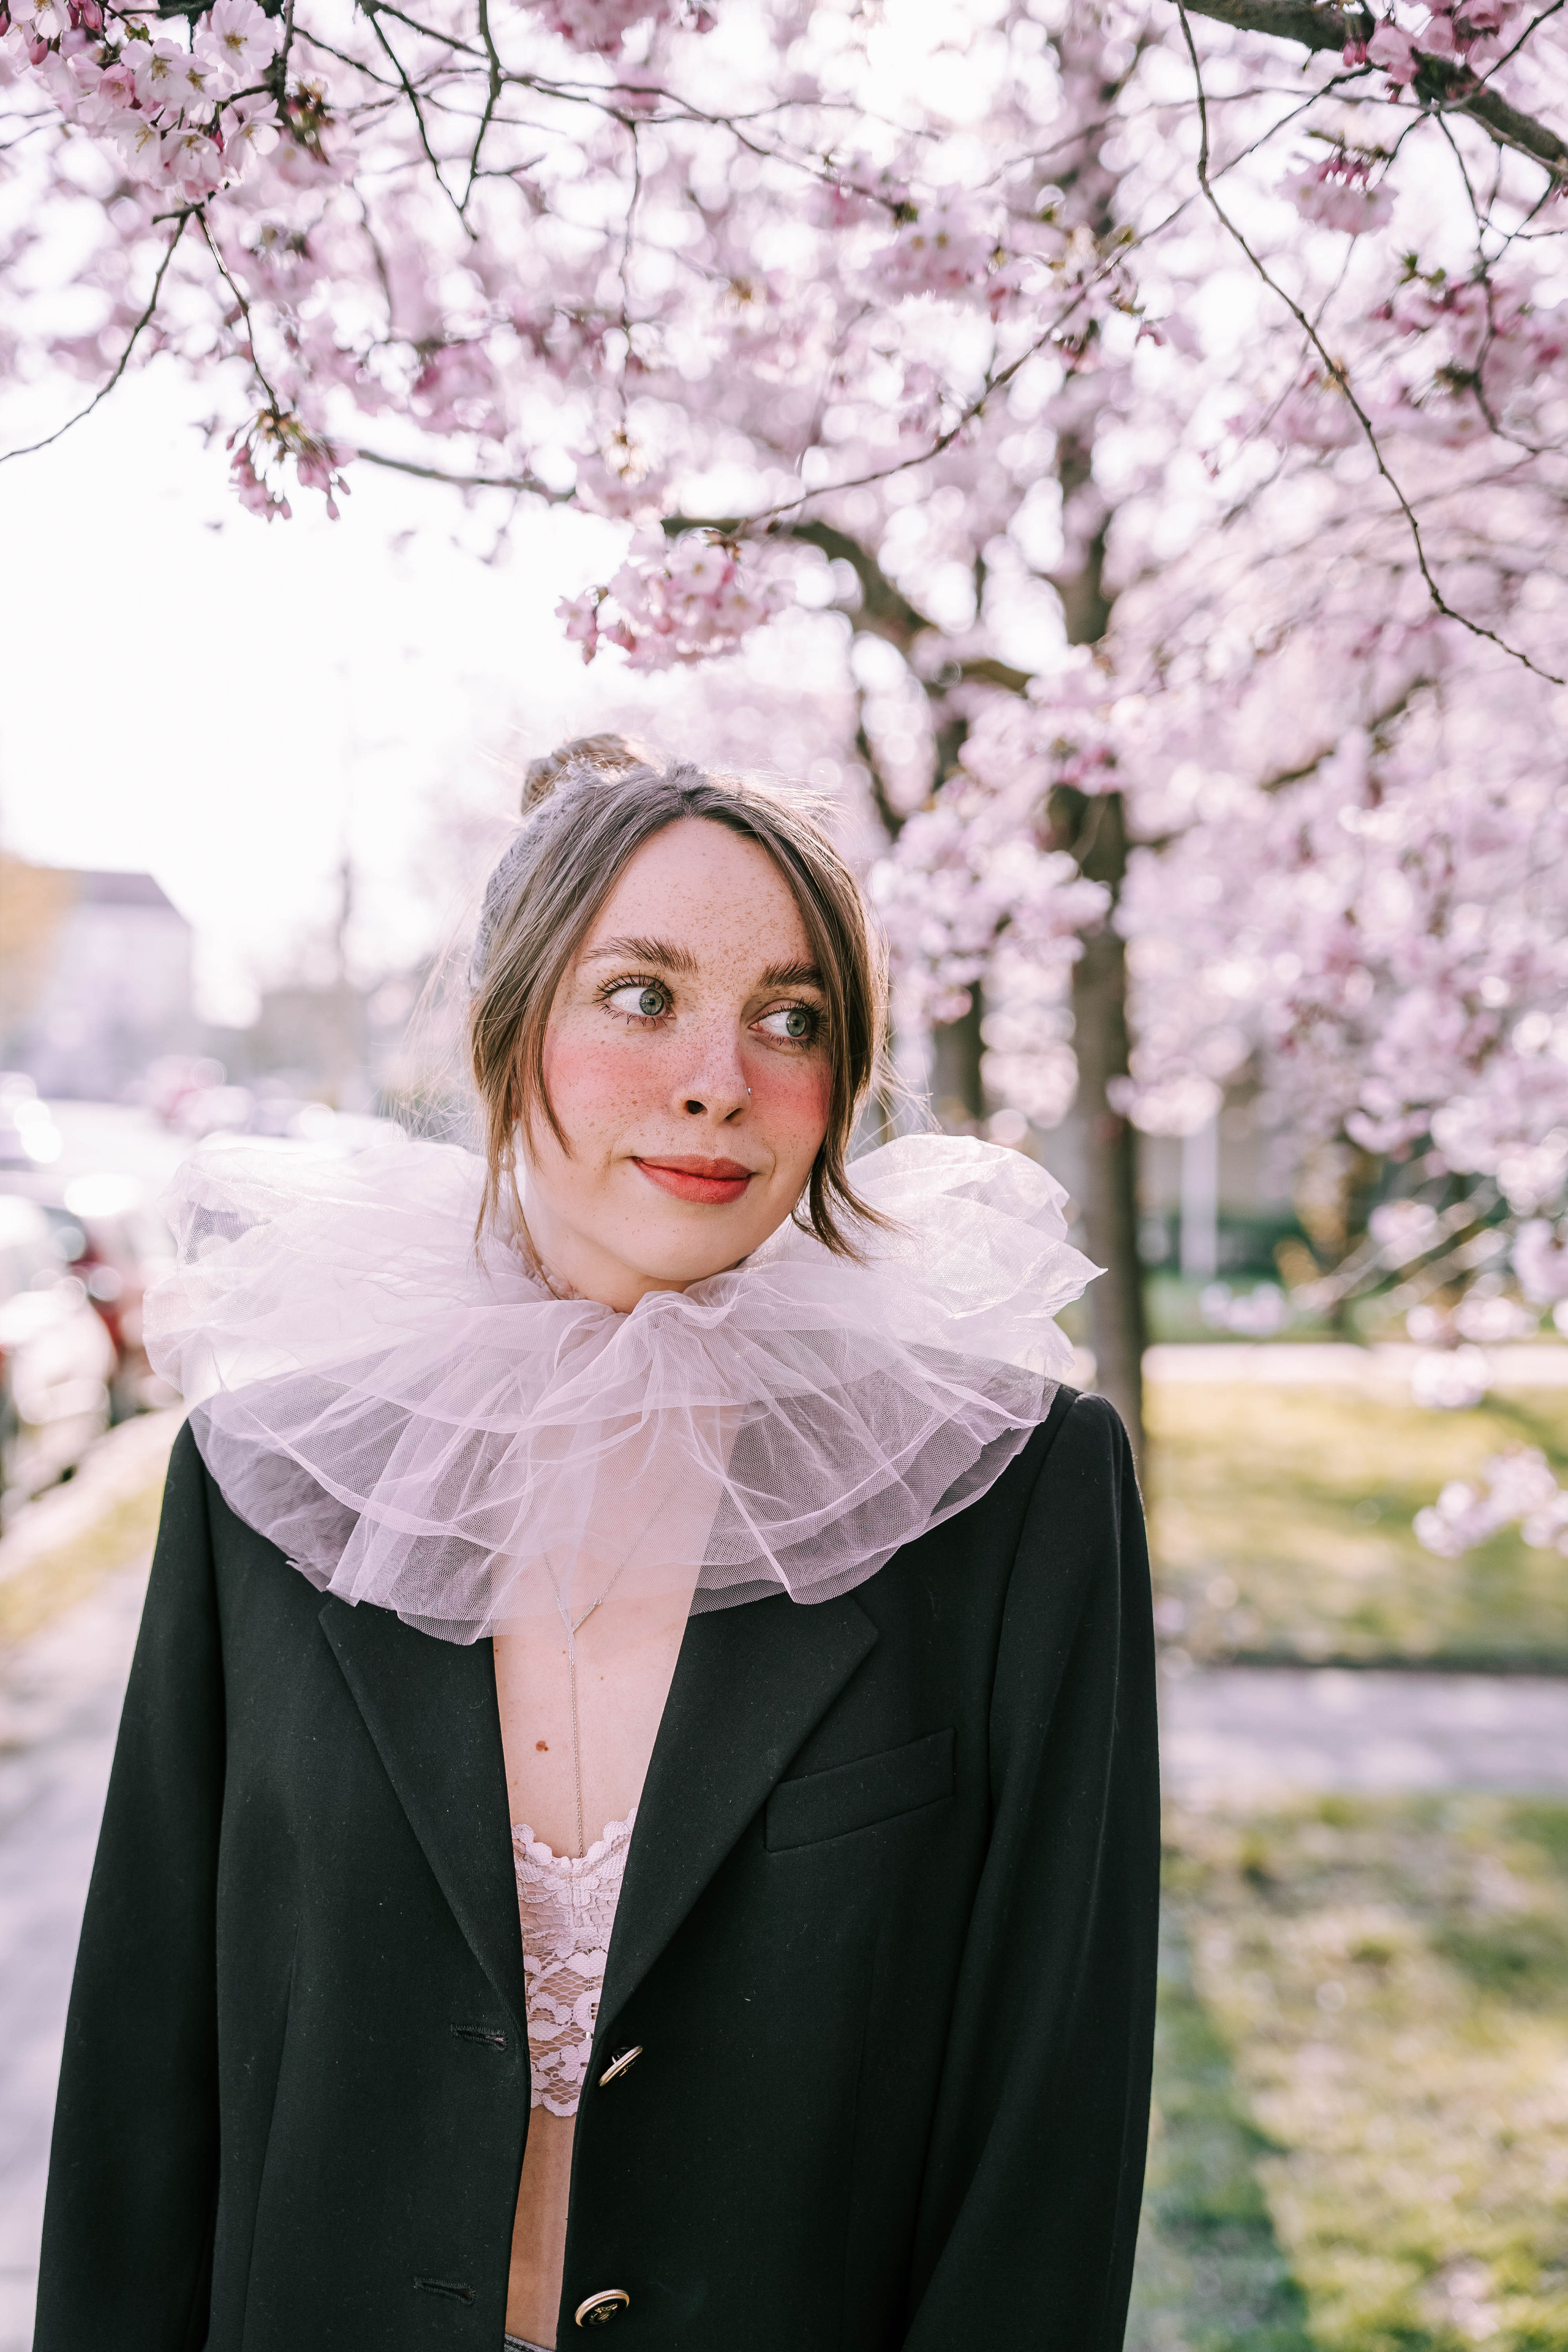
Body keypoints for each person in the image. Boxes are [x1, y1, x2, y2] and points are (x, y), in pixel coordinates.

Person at [35, 741, 1159, 2352]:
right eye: (642, 995)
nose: (720, 1077)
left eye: (794, 1017)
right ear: (509, 1032)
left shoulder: (1015, 1499)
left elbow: (1048, 2136)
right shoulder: (267, 1485)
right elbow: (141, 2109)